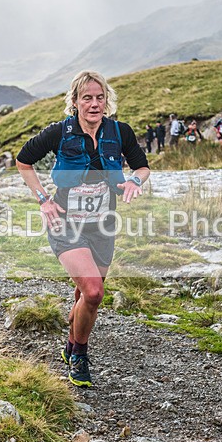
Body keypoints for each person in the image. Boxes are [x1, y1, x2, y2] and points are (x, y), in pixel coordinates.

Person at [15, 70, 150, 388]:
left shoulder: (119, 132)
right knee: (94, 292)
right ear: (75, 101)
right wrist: (43, 199)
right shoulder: (59, 132)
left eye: (100, 97)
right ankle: (79, 355)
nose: (94, 104)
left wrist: (134, 180)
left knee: (84, 295)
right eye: (87, 98)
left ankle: (70, 343)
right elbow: (24, 161)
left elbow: (142, 167)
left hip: (103, 225)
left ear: (107, 101)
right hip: (66, 224)